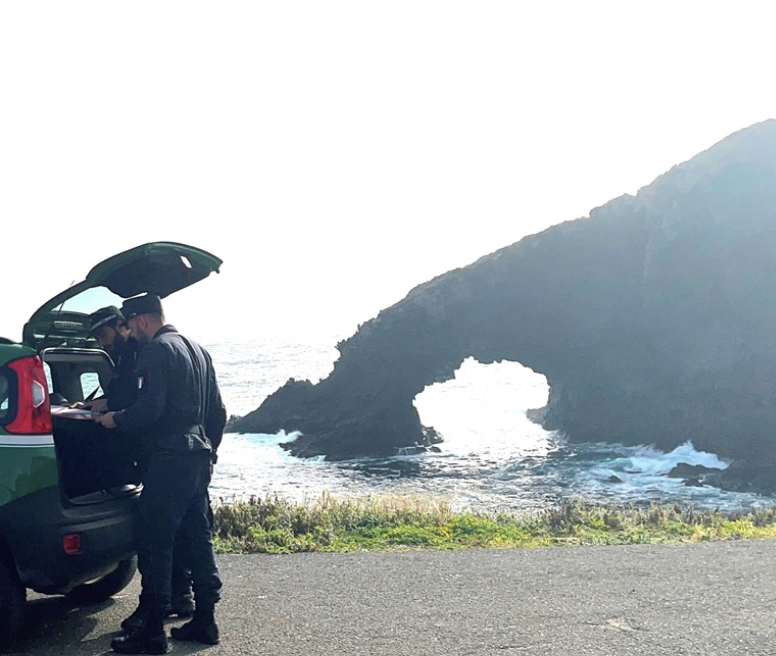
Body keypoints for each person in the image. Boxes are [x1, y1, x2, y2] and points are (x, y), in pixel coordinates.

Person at [95, 293, 226, 655]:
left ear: (141, 321)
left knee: (155, 541)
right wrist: (209, 452)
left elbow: (150, 410)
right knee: (197, 539)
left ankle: (151, 633)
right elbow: (219, 412)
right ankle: (206, 620)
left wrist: (113, 419)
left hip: (169, 459)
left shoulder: (156, 350)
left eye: (132, 325)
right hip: (197, 458)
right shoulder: (198, 350)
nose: (132, 334)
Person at [88, 306, 198, 624]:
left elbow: (147, 405)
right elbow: (130, 395)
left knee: (158, 535)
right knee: (180, 531)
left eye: (104, 335)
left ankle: (156, 610)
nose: (101, 343)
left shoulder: (149, 351)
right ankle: (184, 600)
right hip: (179, 455)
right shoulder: (149, 351)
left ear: (126, 325)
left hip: (162, 455)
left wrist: (114, 415)